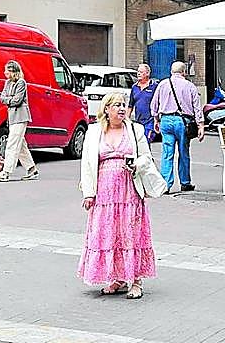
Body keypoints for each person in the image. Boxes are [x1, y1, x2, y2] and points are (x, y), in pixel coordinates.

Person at [78, 91, 155, 300]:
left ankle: (136, 280)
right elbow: (87, 163)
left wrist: (136, 165)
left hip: (129, 191)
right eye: (116, 105)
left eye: (123, 104)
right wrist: (88, 193)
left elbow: (146, 158)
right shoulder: (94, 132)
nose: (121, 109)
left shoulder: (135, 130)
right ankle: (117, 278)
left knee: (130, 234)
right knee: (109, 235)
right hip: (104, 194)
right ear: (106, 109)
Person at [149, 61, 205, 193]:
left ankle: (166, 185)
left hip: (166, 121)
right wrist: (200, 125)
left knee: (167, 153)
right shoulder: (189, 86)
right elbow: (197, 106)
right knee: (183, 153)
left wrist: (156, 120)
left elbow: (154, 105)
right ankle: (185, 183)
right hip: (183, 122)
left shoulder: (162, 84)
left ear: (171, 71)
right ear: (184, 72)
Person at [0, 60, 37, 182]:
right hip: (12, 117)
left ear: (13, 71)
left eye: (7, 70)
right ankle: (31, 169)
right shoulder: (8, 83)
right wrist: (9, 99)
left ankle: (6, 172)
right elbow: (2, 98)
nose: (5, 73)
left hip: (21, 117)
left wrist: (8, 100)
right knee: (20, 145)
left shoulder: (21, 83)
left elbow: (17, 100)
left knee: (12, 144)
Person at [128, 63, 159, 142]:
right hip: (138, 121)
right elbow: (130, 105)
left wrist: (157, 119)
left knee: (146, 140)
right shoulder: (134, 87)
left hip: (150, 120)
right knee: (139, 142)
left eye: (141, 72)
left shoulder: (154, 86)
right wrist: (126, 120)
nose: (138, 74)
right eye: (138, 72)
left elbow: (159, 103)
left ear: (147, 73)